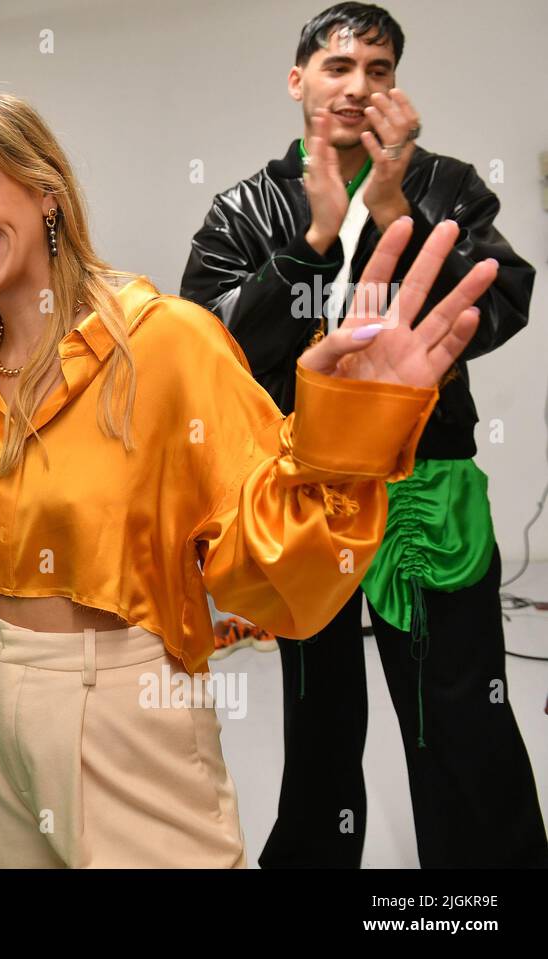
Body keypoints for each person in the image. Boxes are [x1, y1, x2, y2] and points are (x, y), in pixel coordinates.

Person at [0, 89, 495, 868]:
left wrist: (345, 433)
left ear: (45, 191)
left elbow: (269, 566)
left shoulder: (164, 340)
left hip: (119, 707)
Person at [180, 2, 546, 867]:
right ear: (297, 77)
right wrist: (310, 244)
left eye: (378, 70)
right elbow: (212, 343)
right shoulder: (245, 207)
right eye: (338, 66)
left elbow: (499, 302)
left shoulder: (447, 184)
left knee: (463, 714)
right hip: (302, 500)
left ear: (397, 87)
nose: (357, 86)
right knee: (318, 720)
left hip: (427, 498)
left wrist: (391, 212)